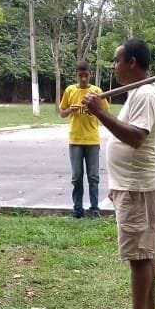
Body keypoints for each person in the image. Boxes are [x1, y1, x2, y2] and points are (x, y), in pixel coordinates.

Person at [83, 39, 155, 309]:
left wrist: (99, 112)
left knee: (140, 254)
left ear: (132, 62)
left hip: (138, 186)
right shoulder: (141, 92)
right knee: (146, 249)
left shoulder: (144, 94)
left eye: (117, 60)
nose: (114, 66)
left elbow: (136, 138)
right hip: (132, 184)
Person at [58, 60, 109, 219]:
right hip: (75, 140)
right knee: (77, 177)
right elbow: (61, 112)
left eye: (86, 75)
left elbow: (105, 112)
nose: (84, 79)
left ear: (90, 74)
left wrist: (96, 109)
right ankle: (77, 210)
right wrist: (69, 110)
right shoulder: (70, 91)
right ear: (76, 76)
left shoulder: (96, 91)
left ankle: (94, 210)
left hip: (92, 139)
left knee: (93, 177)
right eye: (81, 76)